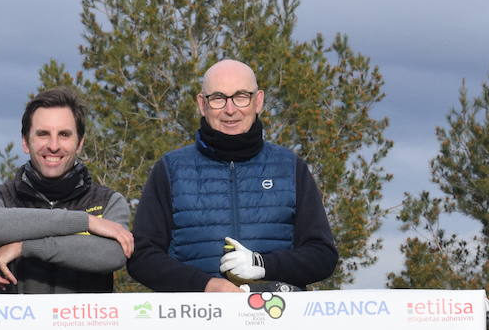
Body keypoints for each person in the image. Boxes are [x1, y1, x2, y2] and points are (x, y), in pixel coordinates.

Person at [126, 59, 339, 293]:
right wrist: (206, 285)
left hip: (277, 320)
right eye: (218, 98)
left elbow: (322, 255)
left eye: (241, 97)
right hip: (193, 321)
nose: (230, 109)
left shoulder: (289, 167)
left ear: (258, 101)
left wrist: (263, 265)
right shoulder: (170, 169)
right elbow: (142, 257)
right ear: (202, 104)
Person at [0, 88, 133, 293]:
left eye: (64, 135)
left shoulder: (108, 201)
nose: (54, 146)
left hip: (86, 325)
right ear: (25, 142)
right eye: (43, 134)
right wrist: (85, 222)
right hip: (14, 325)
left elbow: (114, 254)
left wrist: (23, 247)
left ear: (80, 144)